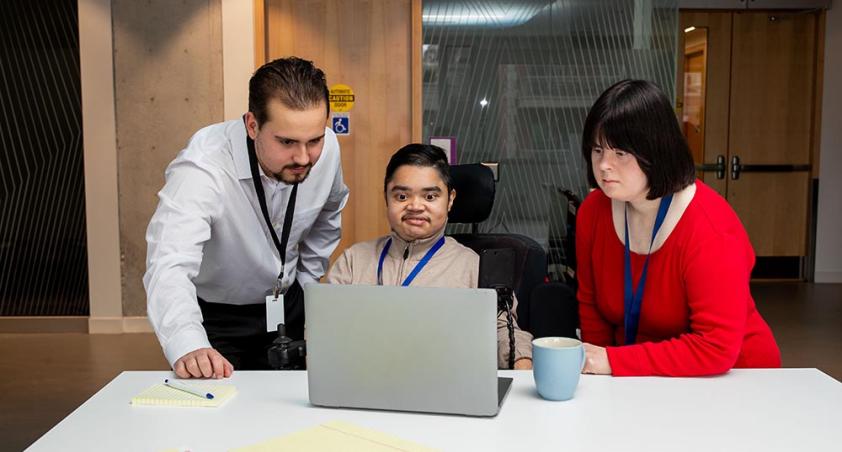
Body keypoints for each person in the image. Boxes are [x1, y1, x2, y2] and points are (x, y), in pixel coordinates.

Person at [144, 57, 349, 378]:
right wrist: (187, 342)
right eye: (286, 142)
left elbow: (328, 214)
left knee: (288, 408)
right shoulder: (203, 168)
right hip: (219, 315)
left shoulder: (327, 150)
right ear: (252, 125)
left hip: (289, 303)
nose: (303, 157)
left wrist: (308, 286)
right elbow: (169, 263)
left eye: (314, 140)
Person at [575, 79, 781, 377]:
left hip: (737, 381)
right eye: (597, 150)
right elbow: (591, 307)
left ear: (655, 151)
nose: (604, 165)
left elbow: (715, 347)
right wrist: (598, 372)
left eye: (620, 153)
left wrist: (614, 362)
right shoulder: (594, 212)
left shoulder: (708, 227)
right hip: (648, 378)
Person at [326, 144, 534, 369]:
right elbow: (325, 330)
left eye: (430, 196)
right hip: (363, 381)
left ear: (450, 199)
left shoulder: (474, 267)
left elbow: (504, 330)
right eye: (402, 195)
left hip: (448, 385)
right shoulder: (353, 261)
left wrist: (521, 361)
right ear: (386, 197)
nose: (415, 206)